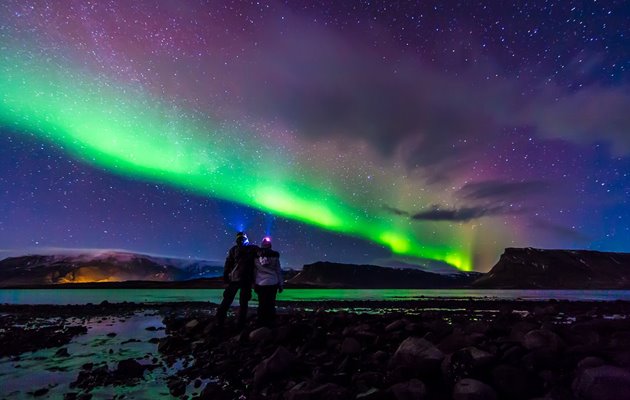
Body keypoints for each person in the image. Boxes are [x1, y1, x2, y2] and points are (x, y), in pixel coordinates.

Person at [215, 232, 258, 328]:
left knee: (228, 299)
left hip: (235, 278)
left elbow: (228, 263)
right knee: (243, 302)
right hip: (246, 279)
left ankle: (220, 320)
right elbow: (261, 255)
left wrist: (226, 275)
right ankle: (240, 323)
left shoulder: (234, 249)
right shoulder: (252, 249)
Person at [254, 236, 283, 327]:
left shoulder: (256, 257)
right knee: (271, 303)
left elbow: (254, 271)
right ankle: (271, 323)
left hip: (260, 283)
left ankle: (261, 322)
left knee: (261, 303)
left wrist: (254, 284)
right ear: (270, 246)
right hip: (272, 282)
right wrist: (281, 284)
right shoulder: (275, 256)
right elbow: (278, 271)